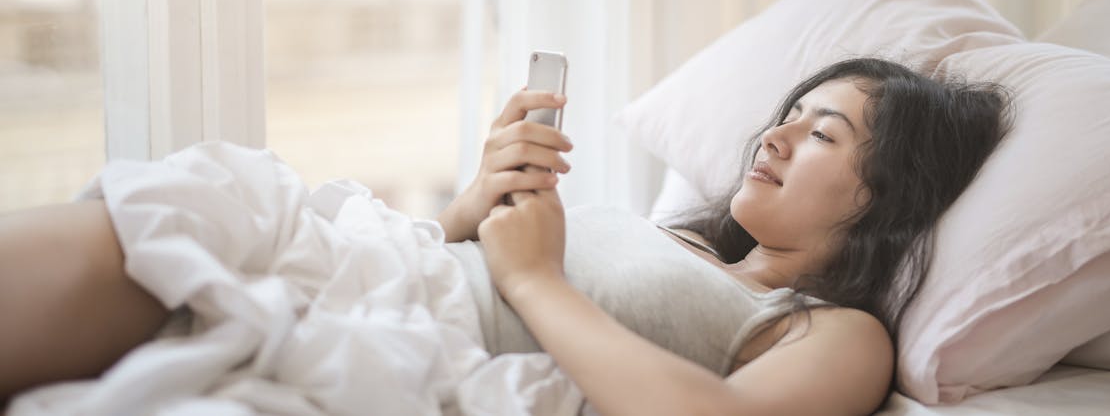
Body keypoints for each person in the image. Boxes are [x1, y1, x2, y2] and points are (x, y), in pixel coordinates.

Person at [0, 57, 1010, 415]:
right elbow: (446, 265)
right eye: (790, 110)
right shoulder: (678, 239)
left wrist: (537, 284)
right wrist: (473, 203)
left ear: (885, 199)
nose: (778, 131)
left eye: (823, 130)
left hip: (396, 344)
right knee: (147, 232)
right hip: (355, 265)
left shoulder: (829, 332)